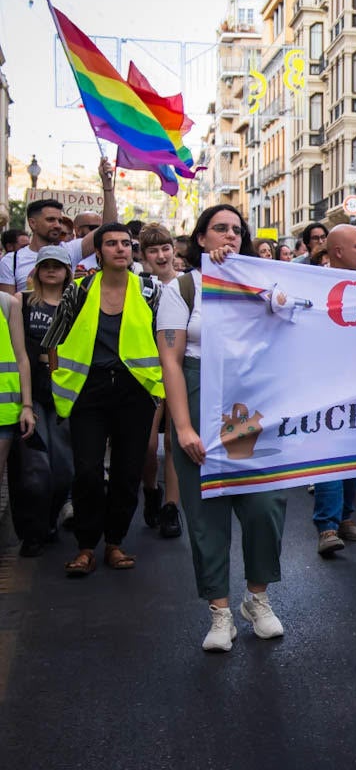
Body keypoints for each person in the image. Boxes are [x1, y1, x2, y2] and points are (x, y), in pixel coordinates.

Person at [157, 204, 287, 651]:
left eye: (236, 230)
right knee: (205, 513)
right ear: (200, 238)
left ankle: (258, 599)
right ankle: (219, 612)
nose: (229, 236)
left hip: (247, 405)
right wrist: (183, 428)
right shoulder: (183, 288)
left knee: (264, 504)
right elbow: (170, 362)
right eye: (220, 229)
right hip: (196, 398)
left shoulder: (261, 284)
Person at [44, 223, 162, 577]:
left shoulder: (149, 290)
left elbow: (166, 339)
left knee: (128, 471)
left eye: (126, 243)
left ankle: (114, 542)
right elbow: (53, 339)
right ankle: (85, 547)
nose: (120, 249)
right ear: (99, 252)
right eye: (111, 243)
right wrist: (58, 379)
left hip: (134, 393)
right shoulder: (78, 291)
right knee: (88, 472)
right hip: (89, 391)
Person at [312, 225, 356, 557]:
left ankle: (345, 518)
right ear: (337, 252)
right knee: (330, 454)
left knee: (354, 454)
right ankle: (327, 527)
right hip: (325, 385)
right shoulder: (309, 283)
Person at [1, 160, 117, 295]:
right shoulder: (11, 261)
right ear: (32, 223)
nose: (57, 225)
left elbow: (108, 228)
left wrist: (107, 186)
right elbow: (7, 307)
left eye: (59, 220)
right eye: (50, 220)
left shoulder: (69, 251)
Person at [5, 249, 54, 556]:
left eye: (57, 266)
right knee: (33, 467)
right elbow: (22, 355)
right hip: (32, 393)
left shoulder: (76, 302)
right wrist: (25, 403)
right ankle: (32, 531)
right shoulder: (20, 301)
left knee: (63, 468)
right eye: (45, 266)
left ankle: (50, 519)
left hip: (64, 394)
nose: (52, 272)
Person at [137, 224, 183, 537]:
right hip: (148, 369)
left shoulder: (187, 284)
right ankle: (151, 490)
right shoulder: (139, 286)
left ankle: (171, 507)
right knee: (148, 443)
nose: (161, 255)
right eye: (153, 250)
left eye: (165, 248)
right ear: (144, 255)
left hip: (179, 368)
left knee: (175, 441)